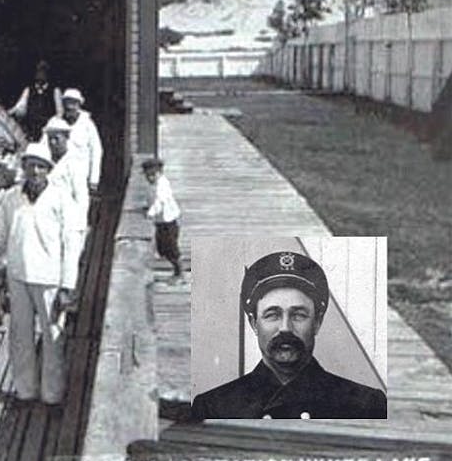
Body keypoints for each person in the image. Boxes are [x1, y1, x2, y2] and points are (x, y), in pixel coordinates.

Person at [190, 251, 388, 420]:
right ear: (254, 324)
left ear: (317, 323)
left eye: (298, 315)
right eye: (272, 315)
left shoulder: (366, 404)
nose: (285, 328)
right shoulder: (212, 406)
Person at [0, 142, 84, 406]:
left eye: (41, 166)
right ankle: (25, 392)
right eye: (30, 165)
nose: (35, 171)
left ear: (48, 170)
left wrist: (67, 285)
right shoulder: (11, 198)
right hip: (18, 276)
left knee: (53, 338)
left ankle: (52, 396)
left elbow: (72, 243)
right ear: (24, 168)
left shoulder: (61, 198)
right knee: (20, 337)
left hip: (50, 279)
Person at [43, 116, 90, 232]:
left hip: (67, 219)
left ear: (66, 137)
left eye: (56, 139)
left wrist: (79, 226)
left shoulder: (74, 163)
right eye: (50, 139)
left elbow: (81, 196)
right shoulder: (44, 162)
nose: (52, 143)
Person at [141, 158, 182, 282]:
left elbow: (160, 201)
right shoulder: (150, 185)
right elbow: (151, 199)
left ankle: (179, 273)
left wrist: (150, 213)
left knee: (171, 247)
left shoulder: (163, 185)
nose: (150, 178)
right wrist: (147, 207)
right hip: (160, 222)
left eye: (153, 175)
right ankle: (175, 269)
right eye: (148, 175)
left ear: (160, 173)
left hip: (169, 221)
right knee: (161, 248)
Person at [59, 88, 103, 194]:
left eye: (73, 103)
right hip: (60, 177)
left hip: (80, 179)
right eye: (67, 103)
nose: (70, 107)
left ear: (79, 105)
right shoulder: (56, 123)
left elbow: (96, 151)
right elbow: (44, 146)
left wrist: (94, 179)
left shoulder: (87, 125)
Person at [8, 60, 62, 141]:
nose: (41, 74)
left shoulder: (55, 91)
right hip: (30, 131)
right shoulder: (29, 90)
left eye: (43, 71)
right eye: (39, 71)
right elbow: (19, 107)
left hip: (47, 132)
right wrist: (6, 114)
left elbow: (59, 114)